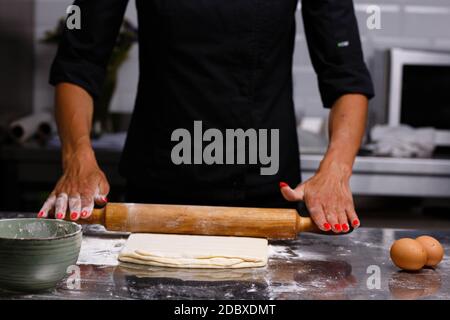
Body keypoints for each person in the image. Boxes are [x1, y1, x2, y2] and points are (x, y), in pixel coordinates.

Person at [38, 0, 374, 234]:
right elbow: (79, 62)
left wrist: (336, 170)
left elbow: (345, 74)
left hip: (263, 197)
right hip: (154, 198)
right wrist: (77, 156)